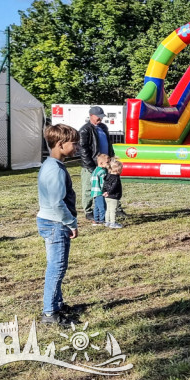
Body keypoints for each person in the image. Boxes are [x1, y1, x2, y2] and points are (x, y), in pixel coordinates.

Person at [38, 124, 80, 326]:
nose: (77, 147)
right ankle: (49, 313)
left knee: (56, 266)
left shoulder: (51, 165)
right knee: (57, 268)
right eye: (75, 143)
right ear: (61, 144)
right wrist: (71, 223)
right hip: (56, 223)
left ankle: (57, 303)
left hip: (51, 221)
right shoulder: (55, 170)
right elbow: (57, 202)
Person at [78, 106, 114, 215]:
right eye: (98, 117)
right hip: (92, 164)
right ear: (91, 116)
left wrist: (111, 157)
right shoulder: (85, 129)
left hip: (105, 163)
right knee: (89, 188)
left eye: (101, 117)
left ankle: (111, 208)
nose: (100, 119)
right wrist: (90, 166)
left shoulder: (103, 127)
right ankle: (88, 211)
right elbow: (83, 149)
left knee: (108, 186)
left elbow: (109, 143)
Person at [89, 153, 111, 227]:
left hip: (94, 192)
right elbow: (103, 183)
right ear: (101, 163)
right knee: (102, 207)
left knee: (97, 207)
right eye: (107, 162)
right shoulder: (103, 172)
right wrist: (106, 190)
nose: (109, 164)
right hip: (100, 192)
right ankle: (102, 220)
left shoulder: (95, 170)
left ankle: (96, 219)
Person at [102, 159, 124, 229]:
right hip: (113, 196)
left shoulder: (108, 176)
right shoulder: (116, 178)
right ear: (118, 170)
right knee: (113, 210)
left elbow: (104, 185)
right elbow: (114, 187)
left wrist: (104, 191)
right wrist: (109, 192)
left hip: (107, 196)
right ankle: (113, 223)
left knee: (108, 209)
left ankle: (107, 221)